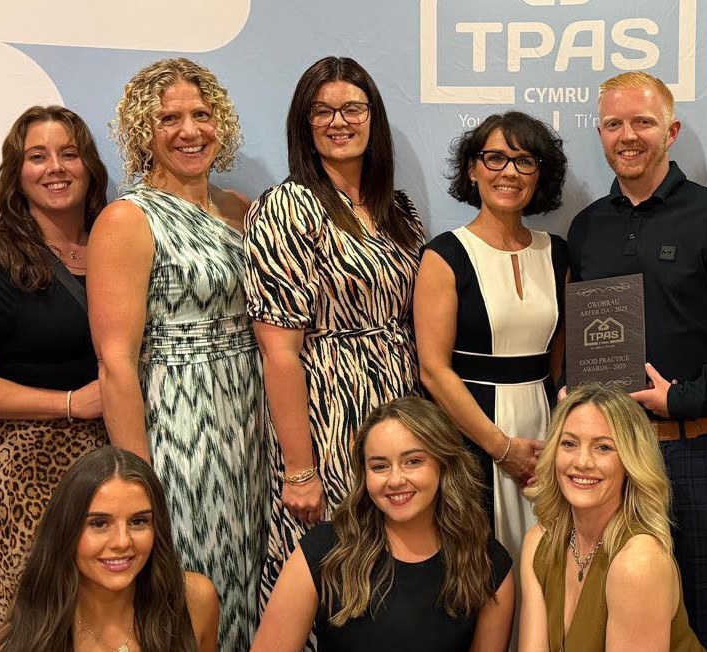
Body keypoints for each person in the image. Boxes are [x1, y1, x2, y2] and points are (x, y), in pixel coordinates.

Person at [566, 71, 707, 652]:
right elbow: (582, 333)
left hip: (696, 451)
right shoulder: (587, 226)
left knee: (700, 625)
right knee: (608, 619)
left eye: (642, 122)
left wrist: (682, 398)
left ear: (671, 131)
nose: (627, 136)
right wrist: (571, 390)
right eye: (614, 124)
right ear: (600, 134)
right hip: (609, 455)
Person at [89, 57, 266, 649]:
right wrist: (137, 486)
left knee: (251, 575)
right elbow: (116, 362)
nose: (190, 130)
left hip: (250, 424)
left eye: (201, 115)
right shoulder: (127, 219)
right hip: (180, 433)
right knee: (190, 584)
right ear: (144, 132)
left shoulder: (240, 209)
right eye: (169, 119)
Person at [246, 56, 426, 602]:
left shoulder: (398, 209)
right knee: (332, 569)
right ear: (304, 124)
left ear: (373, 117)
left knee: (397, 564)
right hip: (329, 411)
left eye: (352, 108)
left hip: (402, 403)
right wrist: (300, 470)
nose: (338, 121)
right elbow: (279, 353)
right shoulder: (285, 208)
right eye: (321, 111)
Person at [0, 105, 112, 650]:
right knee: (17, 619)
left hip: (107, 463)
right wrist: (70, 403)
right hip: (20, 467)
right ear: (17, 174)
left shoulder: (115, 246)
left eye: (69, 153)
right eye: (38, 156)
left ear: (89, 167)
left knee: (97, 619)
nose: (55, 167)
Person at [416, 110, 570, 557]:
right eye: (495, 158)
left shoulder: (559, 253)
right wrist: (501, 448)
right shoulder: (445, 256)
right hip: (472, 436)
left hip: (545, 433)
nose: (509, 172)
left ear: (540, 175)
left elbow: (559, 361)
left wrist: (558, 439)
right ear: (472, 168)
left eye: (524, 161)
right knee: (484, 564)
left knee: (547, 558)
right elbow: (433, 371)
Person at [252, 397, 514, 651]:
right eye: (379, 466)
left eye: (413, 462)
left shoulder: (489, 563)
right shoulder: (324, 549)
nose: (395, 480)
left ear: (444, 463)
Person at [519, 384, 704, 652]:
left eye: (603, 447)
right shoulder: (539, 541)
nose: (582, 462)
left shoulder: (638, 562)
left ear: (630, 462)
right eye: (569, 443)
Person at [0, 446, 219, 652]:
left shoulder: (195, 601)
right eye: (99, 523)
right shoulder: (12, 645)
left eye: (138, 521)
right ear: (66, 530)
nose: (122, 542)